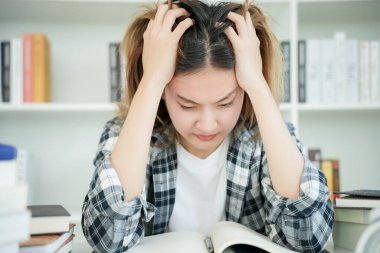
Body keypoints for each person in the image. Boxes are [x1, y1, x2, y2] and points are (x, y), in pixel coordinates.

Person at [81, 0, 333, 252]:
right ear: (163, 95)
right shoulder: (123, 134)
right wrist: (151, 79)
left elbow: (309, 236)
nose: (208, 124)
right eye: (187, 105)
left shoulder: (266, 137)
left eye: (225, 103)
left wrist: (258, 83)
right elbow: (107, 239)